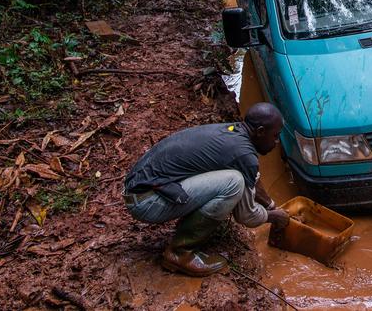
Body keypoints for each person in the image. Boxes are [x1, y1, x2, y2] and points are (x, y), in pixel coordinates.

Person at [123, 102, 291, 276]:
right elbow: (247, 216)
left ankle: (191, 223)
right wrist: (272, 217)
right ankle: (179, 253)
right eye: (275, 136)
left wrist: (271, 205)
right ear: (261, 131)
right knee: (234, 182)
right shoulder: (245, 155)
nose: (277, 142)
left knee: (235, 178)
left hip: (138, 186)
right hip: (145, 202)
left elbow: (253, 177)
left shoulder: (231, 131)